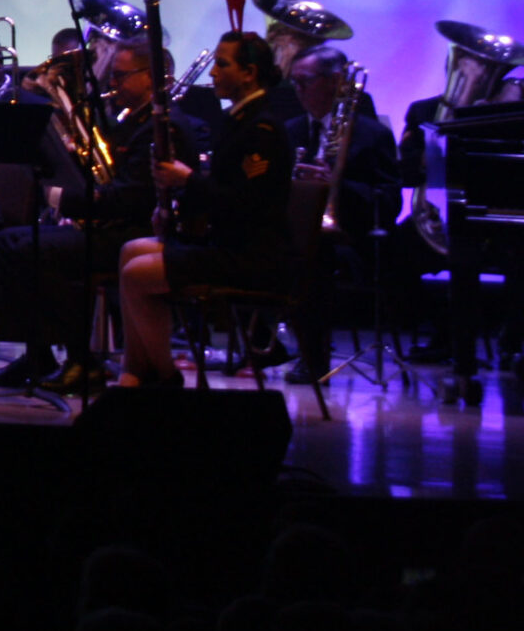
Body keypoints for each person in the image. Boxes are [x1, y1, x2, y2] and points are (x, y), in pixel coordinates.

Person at [0, 45, 197, 393]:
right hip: (113, 224)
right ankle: (38, 353)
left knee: (33, 249)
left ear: (149, 78)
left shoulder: (163, 126)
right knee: (7, 241)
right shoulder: (131, 122)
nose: (113, 82)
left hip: (132, 233)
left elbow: (131, 198)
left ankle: (82, 359)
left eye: (120, 75)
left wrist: (61, 198)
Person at [115, 32, 296, 388]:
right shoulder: (240, 119)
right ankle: (135, 371)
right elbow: (224, 193)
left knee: (138, 273)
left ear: (249, 73)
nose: (211, 73)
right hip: (231, 245)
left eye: (222, 64)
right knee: (130, 251)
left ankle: (163, 375)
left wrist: (187, 181)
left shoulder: (262, 129)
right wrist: (177, 207)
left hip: (252, 256)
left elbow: (247, 204)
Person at [281, 45, 397, 385]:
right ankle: (262, 346)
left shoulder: (372, 135)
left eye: (305, 82)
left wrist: (336, 186)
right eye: (294, 83)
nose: (298, 92)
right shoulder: (290, 132)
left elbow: (388, 203)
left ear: (334, 82)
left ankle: (313, 359)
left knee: (313, 257)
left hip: (351, 239)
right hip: (298, 234)